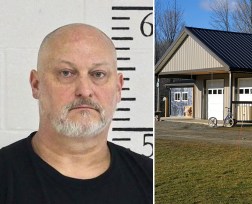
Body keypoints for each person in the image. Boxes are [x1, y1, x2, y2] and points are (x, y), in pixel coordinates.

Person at [0, 23, 153, 204]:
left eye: (98, 74)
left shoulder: (149, 178)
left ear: (119, 88)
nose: (84, 90)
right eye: (66, 73)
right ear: (36, 85)